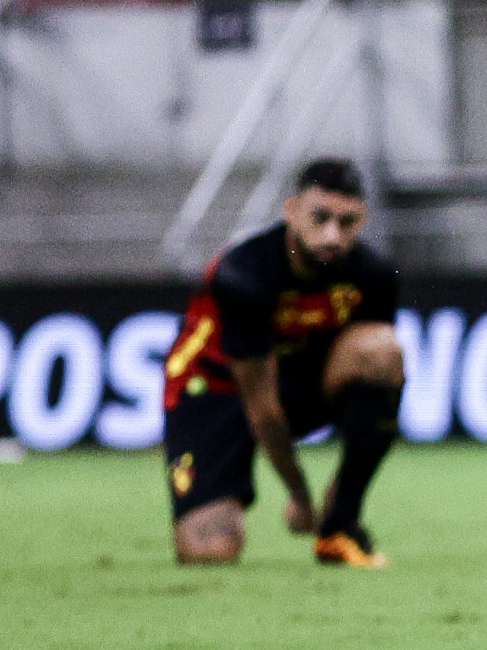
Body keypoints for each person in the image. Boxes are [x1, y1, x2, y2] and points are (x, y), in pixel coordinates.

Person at [161, 158, 404, 569]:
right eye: (320, 217)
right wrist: (300, 495)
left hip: (294, 381)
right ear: (291, 211)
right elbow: (262, 410)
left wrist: (326, 508)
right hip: (214, 389)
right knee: (209, 553)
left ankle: (340, 527)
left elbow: (370, 385)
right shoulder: (245, 275)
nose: (333, 235)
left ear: (362, 220)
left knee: (383, 352)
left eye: (347, 223)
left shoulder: (374, 276)